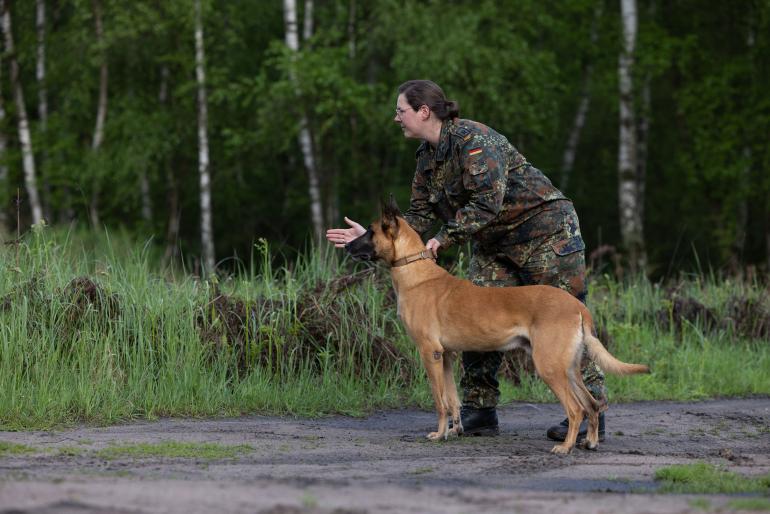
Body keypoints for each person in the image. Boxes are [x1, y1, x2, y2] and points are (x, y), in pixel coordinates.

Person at [326, 79, 606, 441]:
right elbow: (417, 216)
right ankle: (479, 411)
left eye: (401, 111)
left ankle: (590, 412)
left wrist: (444, 237)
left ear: (423, 111)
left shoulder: (475, 141)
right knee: (473, 317)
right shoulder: (427, 158)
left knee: (563, 322)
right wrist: (369, 237)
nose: (396, 118)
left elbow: (488, 202)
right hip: (492, 241)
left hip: (544, 232)